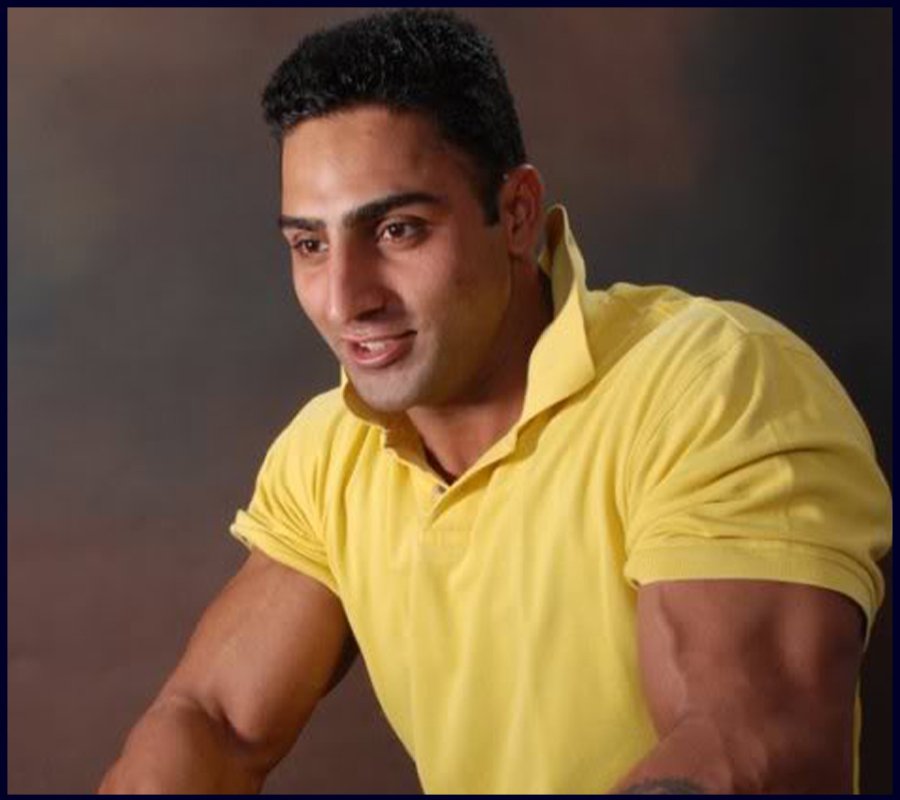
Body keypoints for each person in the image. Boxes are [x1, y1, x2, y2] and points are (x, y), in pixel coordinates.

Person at [99, 9, 891, 795]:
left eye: (398, 229)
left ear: (515, 214)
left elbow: (749, 749)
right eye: (310, 244)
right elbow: (212, 721)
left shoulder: (713, 385)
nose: (346, 299)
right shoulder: (329, 453)